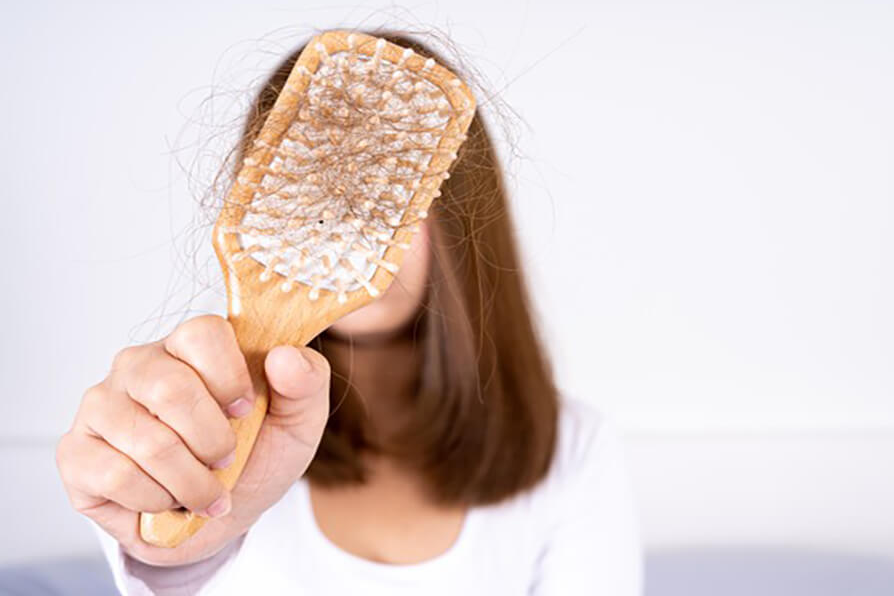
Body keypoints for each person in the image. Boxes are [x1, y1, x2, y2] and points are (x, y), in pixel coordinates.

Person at [56, 29, 642, 595]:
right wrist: (180, 553)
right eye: (311, 188)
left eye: (381, 195)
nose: (341, 225)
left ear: (458, 215)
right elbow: (162, 557)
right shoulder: (185, 423)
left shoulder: (575, 451)